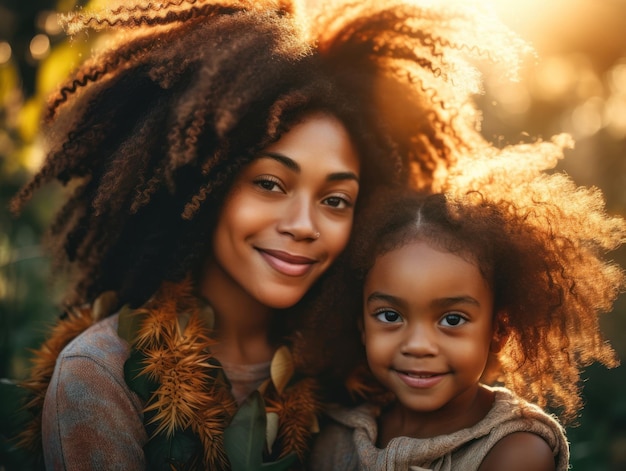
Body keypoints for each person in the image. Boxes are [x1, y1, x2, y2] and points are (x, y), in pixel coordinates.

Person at [6, 0, 532, 469]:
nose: (303, 225)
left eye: (335, 200)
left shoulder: (368, 370)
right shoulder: (102, 376)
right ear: (203, 185)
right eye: (270, 183)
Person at [310, 177, 625, 470]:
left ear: (498, 330)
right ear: (362, 325)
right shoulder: (337, 434)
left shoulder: (514, 451)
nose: (418, 345)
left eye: (452, 319)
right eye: (390, 316)